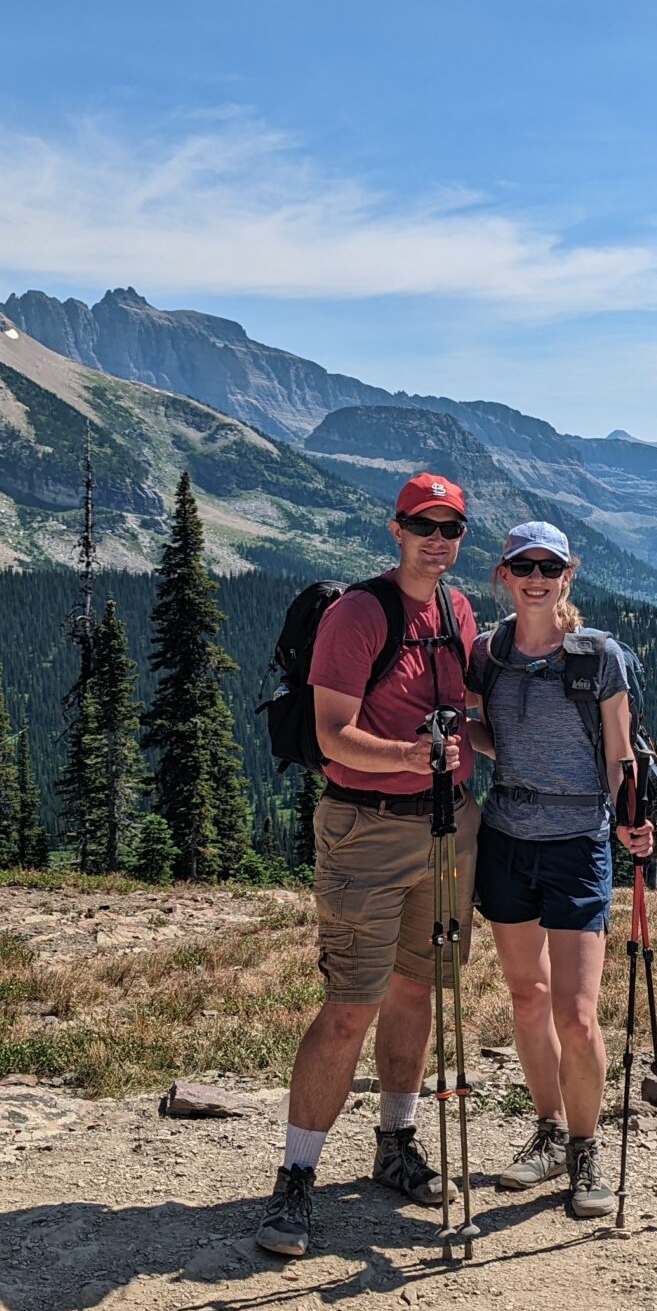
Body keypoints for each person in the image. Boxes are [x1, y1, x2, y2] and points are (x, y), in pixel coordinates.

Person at [255, 473, 482, 1258]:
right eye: (424, 524)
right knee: (350, 1003)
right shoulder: (358, 614)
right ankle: (296, 1178)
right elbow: (331, 737)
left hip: (449, 830)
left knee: (418, 987)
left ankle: (396, 1142)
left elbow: (467, 717)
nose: (438, 539)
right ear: (396, 528)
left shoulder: (457, 610)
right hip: (368, 829)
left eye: (450, 528)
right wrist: (416, 756)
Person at [464, 521, 653, 1220]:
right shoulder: (489, 654)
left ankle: (584, 1145)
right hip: (508, 839)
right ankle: (547, 1130)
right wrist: (456, 730)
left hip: (578, 841)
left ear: (568, 575)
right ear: (505, 575)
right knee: (526, 998)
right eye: (523, 566)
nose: (536, 578)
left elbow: (618, 747)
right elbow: (490, 734)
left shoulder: (597, 656)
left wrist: (631, 817)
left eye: (550, 567)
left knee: (576, 1015)